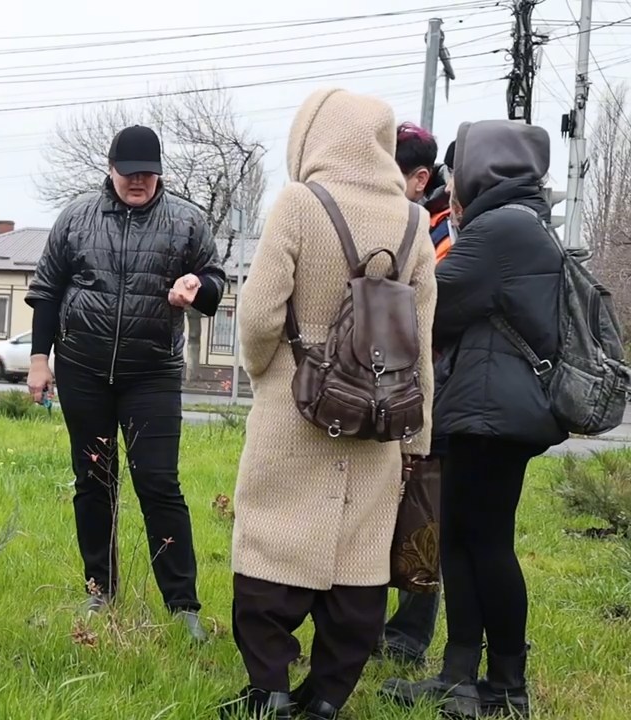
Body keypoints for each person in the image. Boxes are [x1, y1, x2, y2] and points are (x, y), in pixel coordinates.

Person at [223, 88, 436, 720]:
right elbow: (421, 340)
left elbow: (260, 314)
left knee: (268, 545)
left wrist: (267, 369)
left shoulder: (299, 203)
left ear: (313, 135)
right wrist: (415, 442)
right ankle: (325, 701)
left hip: (297, 403)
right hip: (380, 415)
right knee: (360, 558)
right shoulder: (412, 221)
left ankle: (270, 692)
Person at [382, 120, 565, 719]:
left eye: (460, 171)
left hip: (493, 414)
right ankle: (461, 677)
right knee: (462, 542)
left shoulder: (501, 228)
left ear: (486, 168)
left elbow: (434, 301)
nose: (451, 181)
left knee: (484, 545)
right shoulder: (521, 221)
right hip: (488, 408)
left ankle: (506, 687)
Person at [24, 124, 226, 642]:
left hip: (152, 372)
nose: (139, 182)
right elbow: (46, 290)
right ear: (110, 170)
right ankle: (101, 590)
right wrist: (39, 359)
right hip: (83, 369)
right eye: (129, 173)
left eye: (148, 174)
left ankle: (183, 605)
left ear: (159, 174)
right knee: (94, 482)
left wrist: (196, 286)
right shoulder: (77, 217)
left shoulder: (185, 221)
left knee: (160, 484)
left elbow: (215, 283)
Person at [375, 124, 455, 668]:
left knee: (420, 518)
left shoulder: (446, 236)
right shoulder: (419, 223)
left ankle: (406, 642)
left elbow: (430, 319)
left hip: (438, 396)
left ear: (419, 178)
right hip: (396, 390)